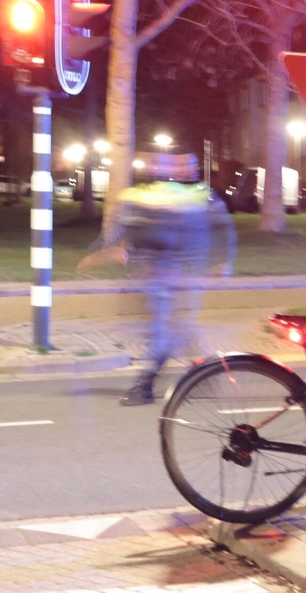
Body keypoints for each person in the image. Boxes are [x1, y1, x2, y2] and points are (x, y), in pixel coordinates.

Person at [114, 150, 229, 406]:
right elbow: (139, 228)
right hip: (163, 276)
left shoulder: (201, 195)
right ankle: (204, 373)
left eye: (191, 164)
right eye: (181, 164)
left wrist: (223, 262)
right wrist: (127, 249)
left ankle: (145, 384)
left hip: (181, 277)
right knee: (180, 330)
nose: (186, 169)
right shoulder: (158, 195)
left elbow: (222, 228)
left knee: (167, 332)